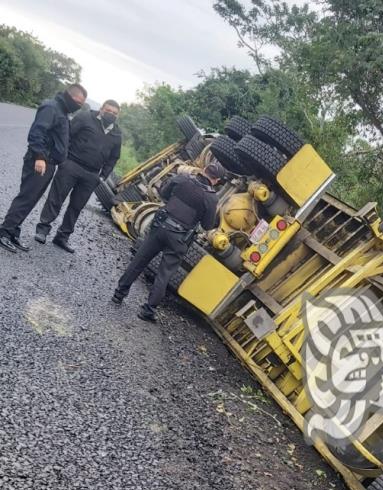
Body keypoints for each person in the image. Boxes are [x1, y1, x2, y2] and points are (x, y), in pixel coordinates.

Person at [112, 163, 225, 322]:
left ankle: (118, 294)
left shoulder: (182, 178)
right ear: (216, 180)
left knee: (139, 260)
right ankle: (148, 311)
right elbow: (207, 225)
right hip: (179, 238)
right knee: (164, 275)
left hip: (160, 226)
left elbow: (164, 193)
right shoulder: (211, 197)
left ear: (204, 170)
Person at [0, 83, 87, 253]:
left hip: (49, 163)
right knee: (26, 197)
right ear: (70, 96)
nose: (79, 106)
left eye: (82, 104)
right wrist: (40, 157)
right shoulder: (51, 107)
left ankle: (13, 231)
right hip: (40, 161)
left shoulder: (63, 112)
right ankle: (4, 231)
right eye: (78, 101)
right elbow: (37, 133)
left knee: (32, 199)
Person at [35, 99, 122, 252]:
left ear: (118, 115)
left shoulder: (117, 133)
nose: (111, 115)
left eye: (114, 113)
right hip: (72, 165)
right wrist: (64, 159)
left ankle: (62, 237)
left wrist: (103, 176)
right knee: (56, 198)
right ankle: (42, 229)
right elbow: (67, 136)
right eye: (108, 111)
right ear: (101, 109)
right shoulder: (85, 117)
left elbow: (114, 157)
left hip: (92, 175)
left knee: (76, 207)